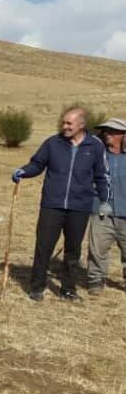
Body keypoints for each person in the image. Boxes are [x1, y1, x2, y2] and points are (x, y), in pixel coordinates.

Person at [12, 106, 111, 301]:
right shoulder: (53, 143)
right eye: (63, 123)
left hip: (79, 207)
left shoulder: (95, 146)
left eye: (69, 123)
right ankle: (36, 287)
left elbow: (102, 176)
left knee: (73, 251)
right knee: (44, 247)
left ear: (81, 125)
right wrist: (23, 171)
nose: (64, 126)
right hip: (52, 204)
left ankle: (68, 290)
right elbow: (37, 164)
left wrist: (104, 201)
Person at [86, 117, 126, 294]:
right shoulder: (96, 156)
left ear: (123, 135)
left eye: (112, 131)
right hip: (101, 211)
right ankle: (95, 280)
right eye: (105, 131)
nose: (107, 134)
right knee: (97, 249)